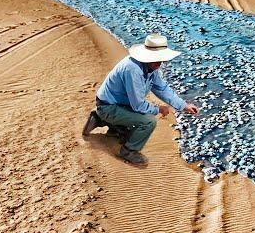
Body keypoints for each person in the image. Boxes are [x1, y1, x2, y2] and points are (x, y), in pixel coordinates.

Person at [82, 33, 199, 164]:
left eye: (161, 59)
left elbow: (162, 88)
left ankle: (99, 119)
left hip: (116, 103)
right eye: (157, 59)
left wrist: (184, 105)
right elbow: (138, 105)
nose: (160, 63)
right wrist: (159, 109)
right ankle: (128, 151)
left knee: (135, 123)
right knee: (148, 121)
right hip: (108, 106)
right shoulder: (133, 70)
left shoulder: (150, 67)